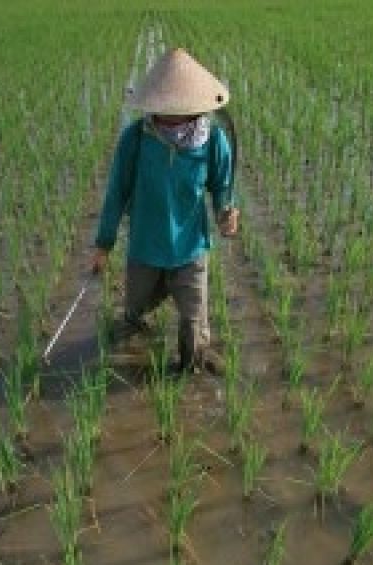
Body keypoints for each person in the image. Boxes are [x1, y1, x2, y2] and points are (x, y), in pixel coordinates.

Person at [91, 48, 240, 375]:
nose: (170, 115)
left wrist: (227, 214)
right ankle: (133, 327)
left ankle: (193, 363)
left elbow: (223, 187)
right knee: (136, 308)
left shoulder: (212, 140)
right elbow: (116, 193)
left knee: (193, 323)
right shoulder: (135, 139)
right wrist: (103, 244)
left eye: (179, 107)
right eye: (163, 106)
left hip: (191, 249)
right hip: (146, 246)